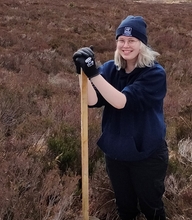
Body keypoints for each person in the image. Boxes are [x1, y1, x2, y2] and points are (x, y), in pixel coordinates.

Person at [73, 15, 168, 220]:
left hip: (147, 155)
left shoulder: (155, 74)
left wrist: (93, 73)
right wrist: (84, 74)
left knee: (151, 208)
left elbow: (121, 101)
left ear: (142, 44)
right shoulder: (110, 68)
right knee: (125, 209)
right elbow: (91, 100)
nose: (126, 45)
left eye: (132, 40)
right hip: (116, 153)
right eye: (121, 40)